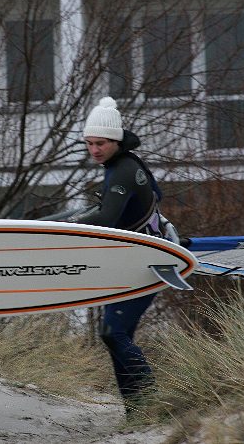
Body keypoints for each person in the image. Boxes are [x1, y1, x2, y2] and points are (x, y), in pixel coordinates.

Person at [70, 96, 176, 415]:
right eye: (89, 143)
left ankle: (151, 403)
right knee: (117, 335)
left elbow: (106, 220)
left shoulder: (125, 170)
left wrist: (69, 227)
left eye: (100, 143)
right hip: (130, 259)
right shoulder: (120, 164)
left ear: (115, 140)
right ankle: (136, 410)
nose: (94, 150)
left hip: (147, 262)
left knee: (112, 333)